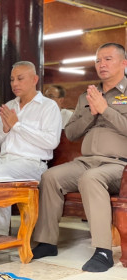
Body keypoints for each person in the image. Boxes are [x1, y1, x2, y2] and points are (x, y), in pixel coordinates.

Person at [32, 43, 127, 272]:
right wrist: (90, 112)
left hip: (119, 166)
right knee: (50, 176)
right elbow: (72, 132)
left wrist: (106, 110)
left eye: (107, 59)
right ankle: (46, 242)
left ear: (124, 63)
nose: (101, 64)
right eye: (97, 60)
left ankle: (103, 251)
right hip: (86, 162)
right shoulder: (87, 95)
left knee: (91, 179)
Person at [0, 61, 61, 235]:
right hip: (5, 160)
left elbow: (51, 142)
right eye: (12, 79)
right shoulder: (9, 106)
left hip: (32, 164)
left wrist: (17, 126)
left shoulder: (48, 106)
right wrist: (6, 129)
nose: (15, 83)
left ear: (34, 79)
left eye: (20, 79)